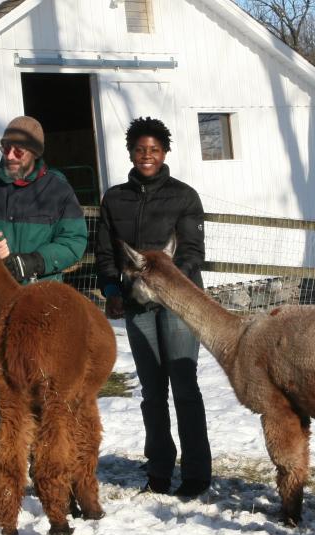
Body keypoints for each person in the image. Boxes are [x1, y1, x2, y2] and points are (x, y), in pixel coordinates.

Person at [0, 116, 88, 497]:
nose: (9, 155)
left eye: (19, 149)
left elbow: (74, 241)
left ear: (35, 153)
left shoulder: (57, 190)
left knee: (44, 391)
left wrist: (30, 261)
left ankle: (46, 467)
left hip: (40, 312)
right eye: (5, 147)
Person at [95, 116, 212, 498]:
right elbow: (106, 252)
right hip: (137, 304)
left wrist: (170, 282)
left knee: (184, 386)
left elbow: (193, 253)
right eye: (141, 150)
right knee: (152, 390)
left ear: (165, 153)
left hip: (178, 306)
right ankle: (159, 469)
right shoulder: (115, 198)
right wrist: (113, 288)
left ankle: (196, 473)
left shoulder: (184, 196)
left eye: (154, 150)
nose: (147, 156)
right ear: (131, 152)